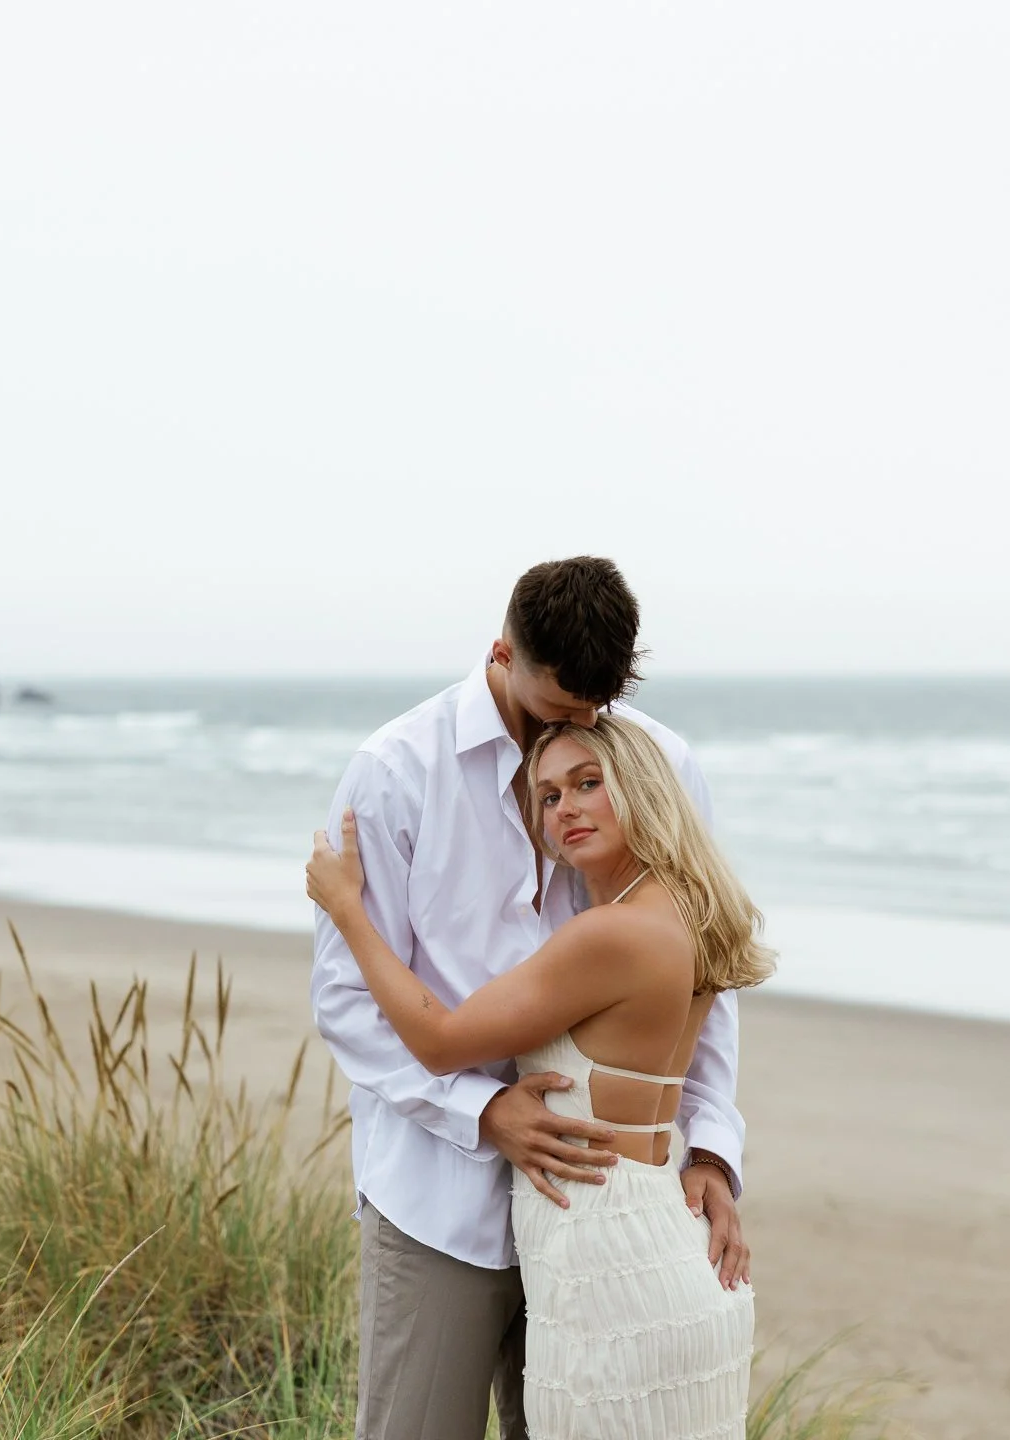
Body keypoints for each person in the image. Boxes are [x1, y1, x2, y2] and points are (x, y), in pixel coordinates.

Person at [308, 557, 749, 1440]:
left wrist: (711, 1147)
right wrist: (480, 1112)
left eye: (600, 707)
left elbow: (706, 977)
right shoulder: (395, 772)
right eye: (561, 711)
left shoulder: (658, 762)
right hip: (444, 1199)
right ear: (503, 654)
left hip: (611, 1210)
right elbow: (346, 1000)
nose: (584, 725)